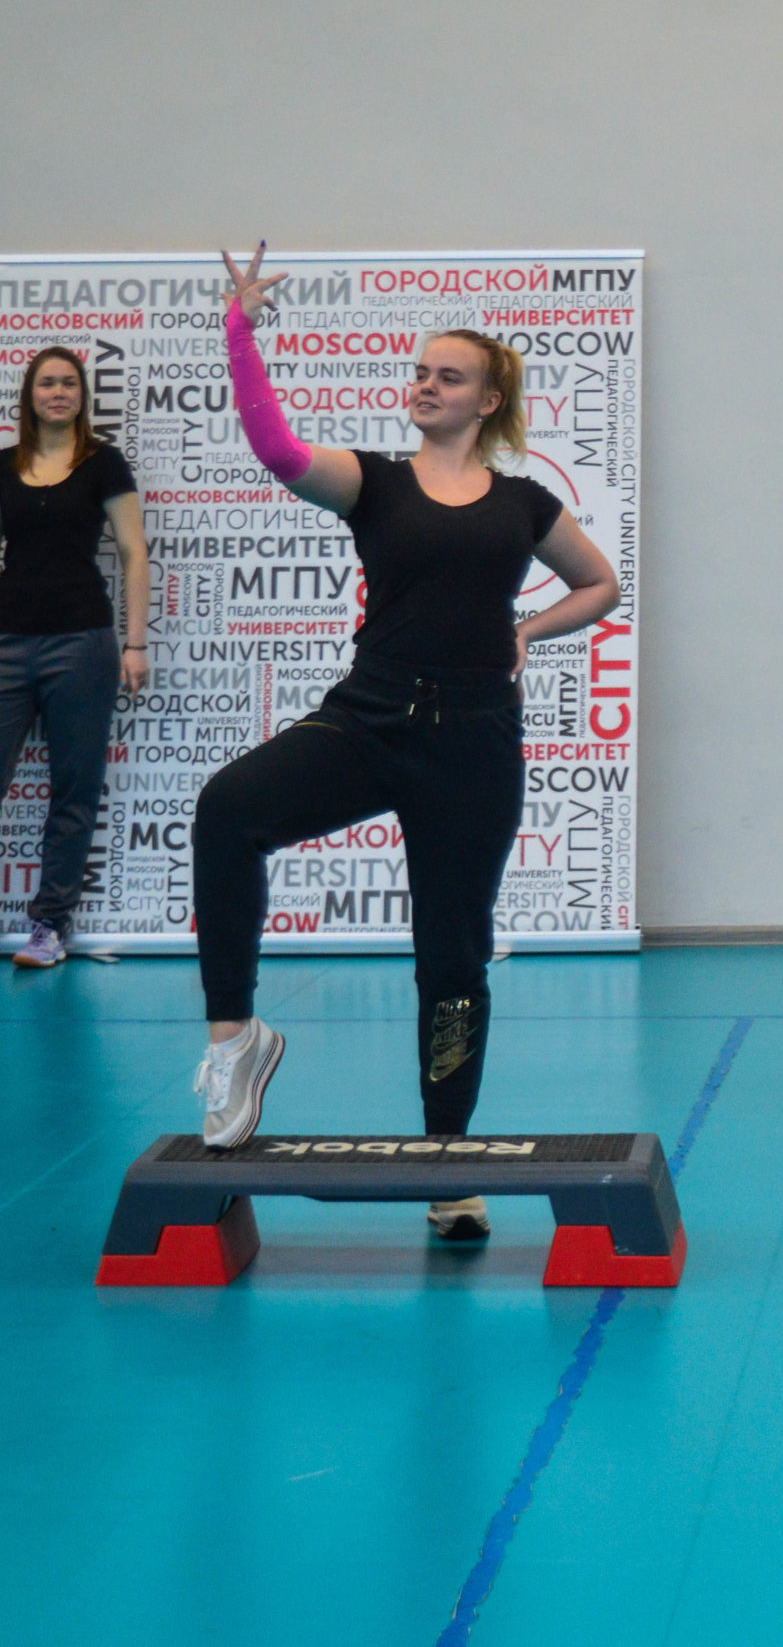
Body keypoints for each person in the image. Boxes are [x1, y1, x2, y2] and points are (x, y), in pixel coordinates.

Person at [190, 245, 621, 1241]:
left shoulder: (523, 502)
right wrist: (241, 331)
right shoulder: (374, 482)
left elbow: (599, 583)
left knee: (453, 959)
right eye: (420, 371)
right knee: (228, 809)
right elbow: (275, 449)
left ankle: (447, 1165)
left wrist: (528, 631)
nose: (425, 385)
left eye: (448, 376)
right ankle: (236, 1039)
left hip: (475, 743)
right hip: (372, 718)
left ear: (487, 400)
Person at [1, 347, 150, 967]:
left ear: (82, 395)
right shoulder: (4, 465)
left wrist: (136, 643)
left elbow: (134, 553)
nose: (58, 392)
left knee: (74, 789)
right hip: (7, 642)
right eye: (47, 383)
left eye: (68, 383)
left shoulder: (103, 464)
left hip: (82, 645)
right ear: (30, 395)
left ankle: (49, 926)